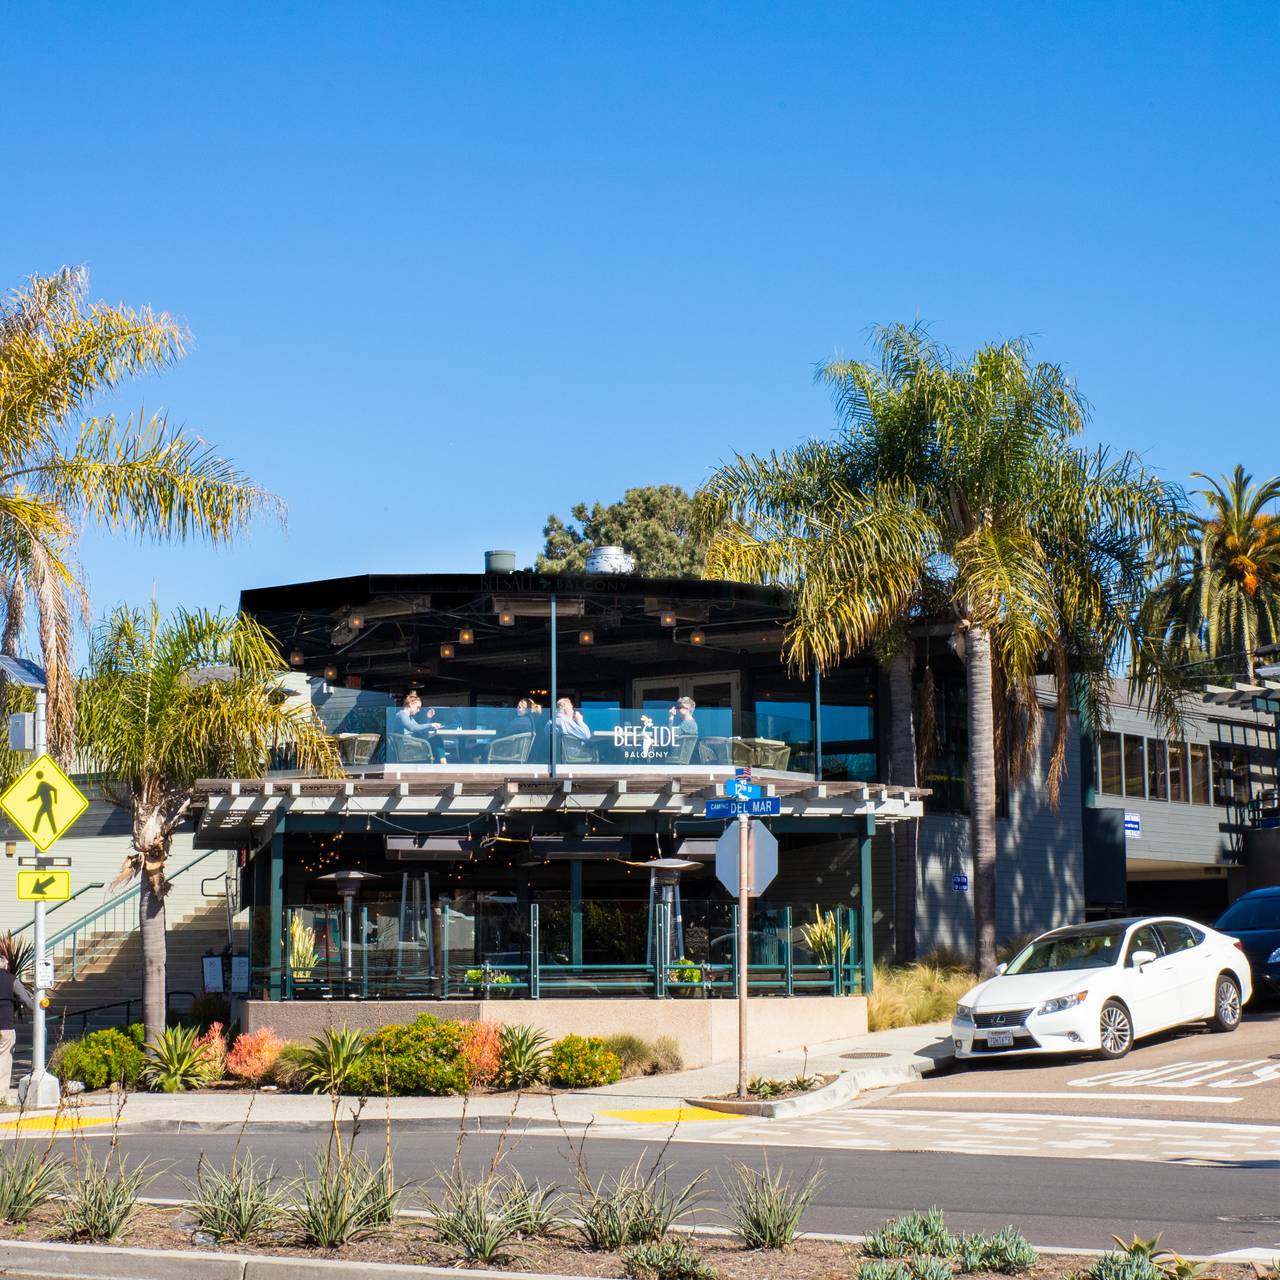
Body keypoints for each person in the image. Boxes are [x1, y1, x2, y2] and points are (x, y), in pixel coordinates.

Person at [0, 956, 35, 1106]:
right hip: (5, 1026)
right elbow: (25, 1000)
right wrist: (37, 1011)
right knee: (4, 1059)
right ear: (5, 965)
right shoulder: (11, 980)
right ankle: (1, 1096)